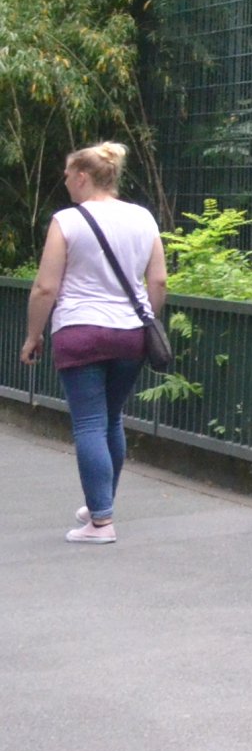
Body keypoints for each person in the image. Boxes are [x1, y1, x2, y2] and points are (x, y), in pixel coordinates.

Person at [18, 142, 166, 545]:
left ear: (82, 176)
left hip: (80, 331)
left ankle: (100, 522)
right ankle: (101, 503)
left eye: (67, 174)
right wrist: (145, 319)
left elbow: (46, 286)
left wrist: (34, 335)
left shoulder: (67, 221)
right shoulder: (143, 218)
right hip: (130, 334)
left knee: (88, 423)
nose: (65, 181)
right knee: (111, 419)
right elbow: (158, 281)